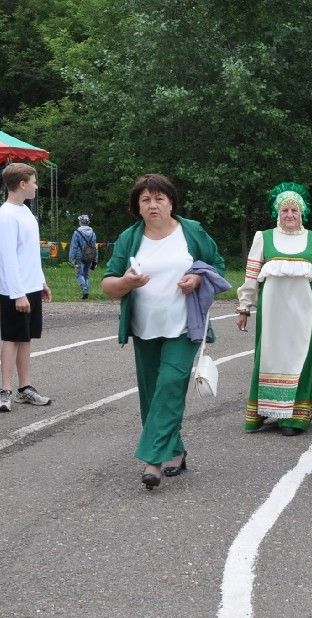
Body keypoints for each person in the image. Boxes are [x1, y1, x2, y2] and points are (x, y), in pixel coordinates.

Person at [102, 173, 229, 489]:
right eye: (145, 200)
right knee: (151, 395)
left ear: (171, 202)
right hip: (144, 329)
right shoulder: (130, 239)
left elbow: (218, 266)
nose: (153, 205)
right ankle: (175, 450)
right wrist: (126, 283)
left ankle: (153, 460)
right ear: (138, 207)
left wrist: (198, 279)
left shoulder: (192, 232)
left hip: (185, 326)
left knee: (171, 384)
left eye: (159, 198)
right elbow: (108, 284)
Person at [236, 182, 312, 436]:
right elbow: (251, 276)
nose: (289, 215)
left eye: (294, 211)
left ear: (302, 213)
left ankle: (295, 417)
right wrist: (244, 306)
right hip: (272, 312)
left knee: (299, 355)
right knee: (268, 354)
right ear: (277, 213)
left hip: (303, 311)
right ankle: (264, 411)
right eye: (284, 211)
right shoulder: (264, 237)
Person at [0, 162, 52, 412]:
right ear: (22, 184)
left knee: (26, 337)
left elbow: (30, 254)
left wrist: (40, 282)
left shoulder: (26, 213)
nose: (36, 186)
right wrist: (18, 293)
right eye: (34, 181)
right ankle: (4, 391)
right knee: (12, 338)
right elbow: (7, 257)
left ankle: (24, 388)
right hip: (14, 290)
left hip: (30, 286)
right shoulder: (6, 215)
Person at [69, 214, 98, 300]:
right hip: (89, 256)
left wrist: (71, 258)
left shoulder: (76, 233)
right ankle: (86, 290)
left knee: (79, 274)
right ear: (88, 222)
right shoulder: (93, 233)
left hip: (79, 256)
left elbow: (73, 246)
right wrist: (95, 259)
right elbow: (95, 247)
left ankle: (85, 290)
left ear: (80, 222)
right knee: (86, 275)